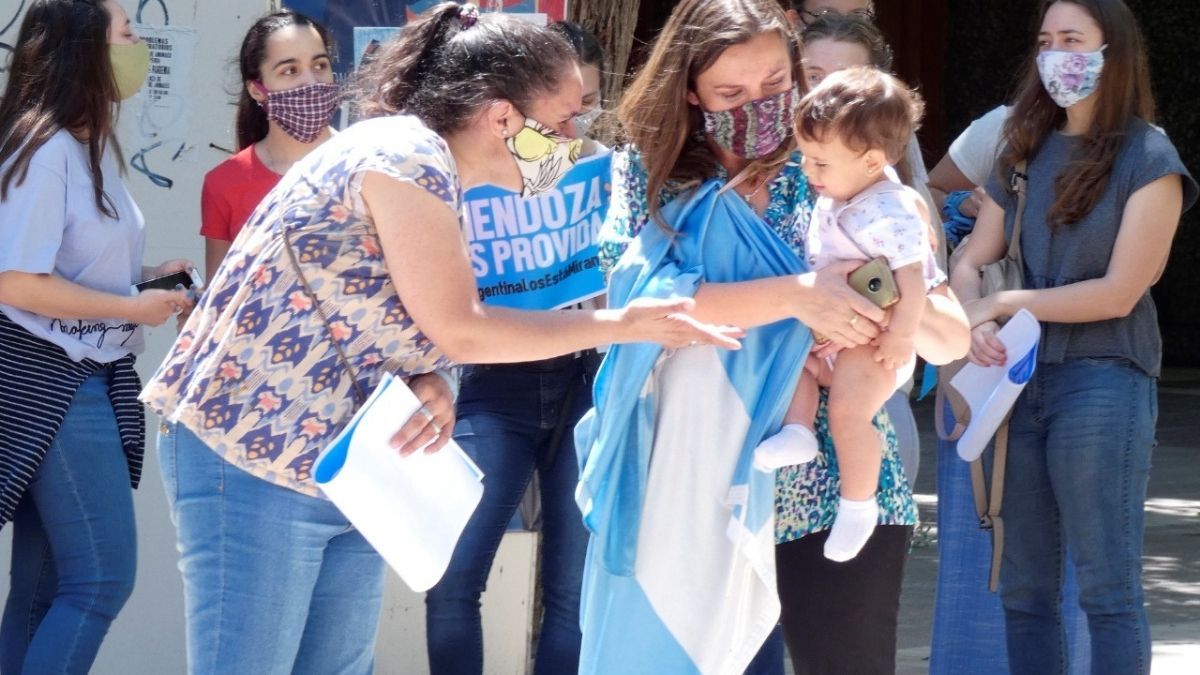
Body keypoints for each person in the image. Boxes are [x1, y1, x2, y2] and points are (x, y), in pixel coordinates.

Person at [139, 5, 737, 674]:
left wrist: (433, 378)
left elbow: (413, 324)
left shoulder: (426, 165)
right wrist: (625, 323)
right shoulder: (406, 153)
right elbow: (463, 327)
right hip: (249, 453)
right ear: (501, 116)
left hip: (343, 463)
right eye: (565, 121)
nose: (574, 142)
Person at [583, 1, 969, 673]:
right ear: (689, 90)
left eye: (775, 87)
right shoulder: (646, 176)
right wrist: (799, 297)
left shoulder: (835, 169)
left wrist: (888, 296)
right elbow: (637, 306)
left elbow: (948, 340)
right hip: (693, 491)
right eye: (731, 93)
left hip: (830, 482)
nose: (758, 107)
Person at [950, 1, 1196, 673]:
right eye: (1045, 40)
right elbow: (971, 257)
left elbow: (1121, 290)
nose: (1055, 54)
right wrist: (975, 316)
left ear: (1111, 51)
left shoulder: (1150, 156)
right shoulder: (1022, 147)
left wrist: (1003, 301)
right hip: (1016, 382)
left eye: (1072, 40)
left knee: (1106, 586)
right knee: (1024, 588)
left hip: (1103, 377)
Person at [0, 1, 195, 672]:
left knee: (45, 588)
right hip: (53, 376)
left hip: (78, 371)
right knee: (102, 579)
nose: (138, 43)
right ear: (83, 47)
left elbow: (65, 260)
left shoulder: (83, 144)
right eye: (126, 31)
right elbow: (16, 281)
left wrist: (144, 277)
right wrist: (128, 308)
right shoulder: (49, 148)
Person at [423, 20, 607, 675]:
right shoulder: (446, 165)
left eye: (585, 109)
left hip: (582, 377)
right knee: (454, 576)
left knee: (574, 589)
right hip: (487, 381)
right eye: (564, 112)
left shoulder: (599, 164)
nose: (572, 130)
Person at [927, 100, 1093, 675]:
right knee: (980, 529)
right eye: (1051, 42)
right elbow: (935, 193)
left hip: (1086, 373)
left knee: (1078, 557)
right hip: (991, 366)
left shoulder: (1137, 148)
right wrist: (969, 205)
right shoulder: (1003, 126)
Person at [755, 67, 944, 563]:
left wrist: (902, 336)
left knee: (847, 412)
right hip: (831, 332)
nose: (808, 171)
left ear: (871, 161)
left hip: (873, 341)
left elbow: (912, 279)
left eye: (820, 162)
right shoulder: (840, 192)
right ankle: (797, 431)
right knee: (792, 363)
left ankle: (858, 504)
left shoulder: (892, 207)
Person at [797, 11, 934, 486]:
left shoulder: (889, 203)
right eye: (813, 77)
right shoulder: (796, 177)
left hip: (870, 371)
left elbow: (949, 331)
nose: (828, 97)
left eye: (844, 82)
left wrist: (891, 317)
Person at [200, 11, 338, 280]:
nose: (311, 82)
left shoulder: (369, 164)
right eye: (290, 70)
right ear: (256, 90)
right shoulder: (224, 183)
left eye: (320, 65)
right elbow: (219, 299)